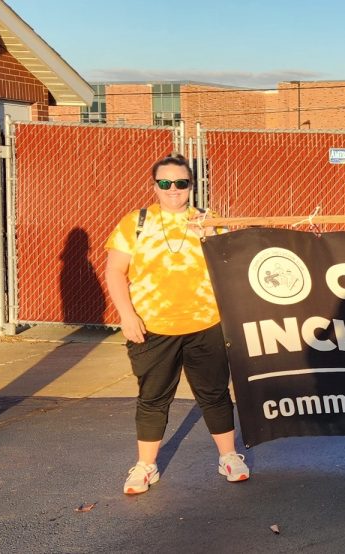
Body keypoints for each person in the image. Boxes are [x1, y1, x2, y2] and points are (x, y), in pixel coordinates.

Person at [104, 154, 249, 495]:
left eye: (181, 183)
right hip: (152, 326)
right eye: (165, 183)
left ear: (191, 186)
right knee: (153, 397)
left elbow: (230, 265)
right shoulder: (136, 222)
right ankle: (145, 466)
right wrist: (127, 315)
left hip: (205, 323)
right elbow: (115, 271)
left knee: (214, 394)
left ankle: (228, 456)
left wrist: (213, 234)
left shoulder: (208, 220)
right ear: (154, 186)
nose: (173, 190)